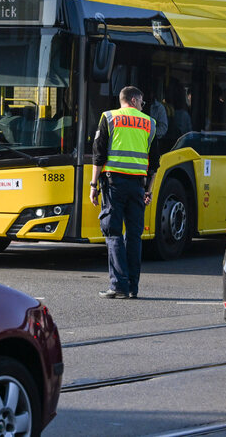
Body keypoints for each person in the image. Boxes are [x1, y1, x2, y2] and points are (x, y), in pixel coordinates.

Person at [90, 86, 161, 299]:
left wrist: (93, 185)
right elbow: (154, 163)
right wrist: (148, 190)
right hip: (137, 186)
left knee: (112, 233)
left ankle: (117, 285)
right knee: (134, 235)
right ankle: (132, 287)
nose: (143, 105)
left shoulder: (109, 118)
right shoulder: (150, 123)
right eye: (141, 102)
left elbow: (98, 156)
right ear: (133, 99)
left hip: (114, 184)